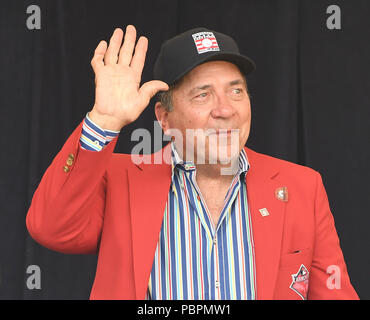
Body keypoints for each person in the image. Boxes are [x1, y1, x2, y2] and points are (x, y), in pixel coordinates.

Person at [26, 25, 359, 300]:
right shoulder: (120, 178)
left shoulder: (302, 186)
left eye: (236, 91)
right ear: (165, 118)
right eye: (203, 94)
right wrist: (103, 121)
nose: (225, 109)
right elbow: (52, 228)